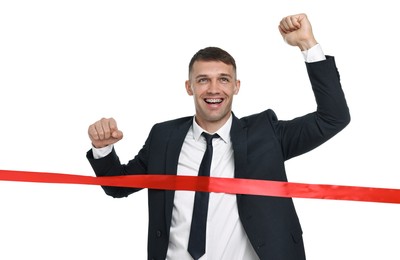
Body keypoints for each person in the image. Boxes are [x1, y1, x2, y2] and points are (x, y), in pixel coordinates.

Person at [87, 13, 350, 260]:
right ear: (189, 87)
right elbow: (118, 186)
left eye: (224, 79)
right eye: (203, 80)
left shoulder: (266, 133)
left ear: (236, 86)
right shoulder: (163, 137)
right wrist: (102, 149)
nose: (214, 89)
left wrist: (307, 44)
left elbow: (333, 117)